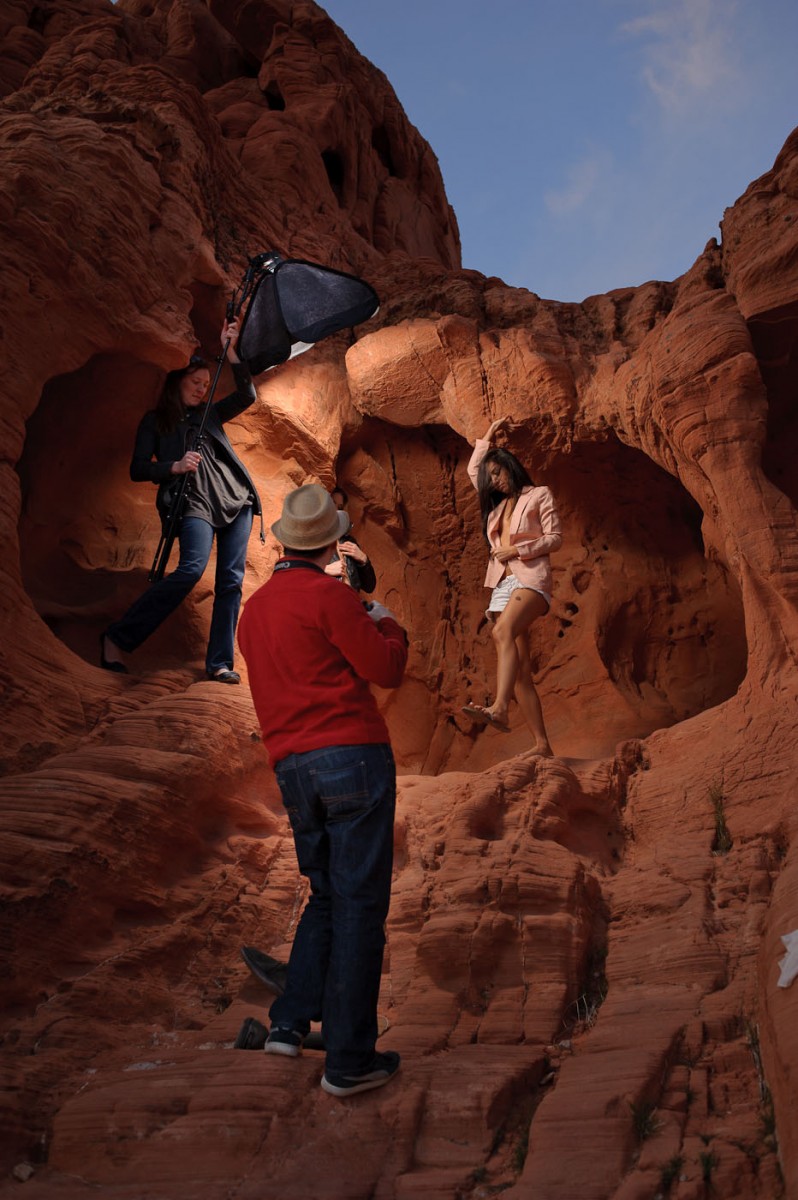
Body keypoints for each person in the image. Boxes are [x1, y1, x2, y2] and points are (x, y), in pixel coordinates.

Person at [237, 484, 408, 1097]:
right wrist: (384, 620)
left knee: (327, 896)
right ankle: (350, 1061)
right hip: (351, 757)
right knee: (360, 906)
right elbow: (385, 668)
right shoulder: (331, 597)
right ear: (331, 543)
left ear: (285, 541)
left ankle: (287, 1025)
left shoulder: (251, 612)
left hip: (293, 768)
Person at [100, 317, 261, 683]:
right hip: (193, 503)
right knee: (190, 569)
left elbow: (248, 395)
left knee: (231, 582)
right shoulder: (155, 421)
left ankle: (220, 663)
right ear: (177, 381)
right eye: (195, 383)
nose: (202, 390)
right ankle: (116, 638)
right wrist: (173, 466)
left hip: (236, 501)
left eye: (206, 384)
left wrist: (230, 352)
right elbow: (138, 469)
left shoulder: (210, 413)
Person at [461, 416, 561, 753]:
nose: (495, 481)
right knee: (520, 674)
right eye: (491, 478)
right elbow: (474, 472)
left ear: (511, 467)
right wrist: (486, 436)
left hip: (530, 579)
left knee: (501, 632)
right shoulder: (497, 506)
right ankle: (542, 744)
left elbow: (555, 538)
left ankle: (499, 708)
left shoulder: (538, 496)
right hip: (502, 585)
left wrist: (517, 548)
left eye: (499, 473)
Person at [323, 487, 377, 592]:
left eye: (340, 507)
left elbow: (369, 587)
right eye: (332, 503)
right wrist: (325, 569)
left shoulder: (348, 541)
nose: (336, 510)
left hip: (352, 604)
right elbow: (298, 575)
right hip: (329, 603)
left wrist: (364, 560)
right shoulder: (313, 539)